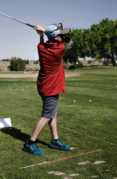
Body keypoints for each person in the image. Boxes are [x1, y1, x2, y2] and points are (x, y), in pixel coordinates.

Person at [23, 23, 71, 155]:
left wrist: (41, 35)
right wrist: (43, 31)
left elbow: (45, 42)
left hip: (45, 86)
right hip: (51, 87)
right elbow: (57, 39)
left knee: (53, 113)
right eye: (60, 35)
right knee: (46, 115)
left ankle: (55, 139)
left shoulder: (41, 47)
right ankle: (30, 142)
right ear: (55, 37)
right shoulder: (60, 49)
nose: (62, 36)